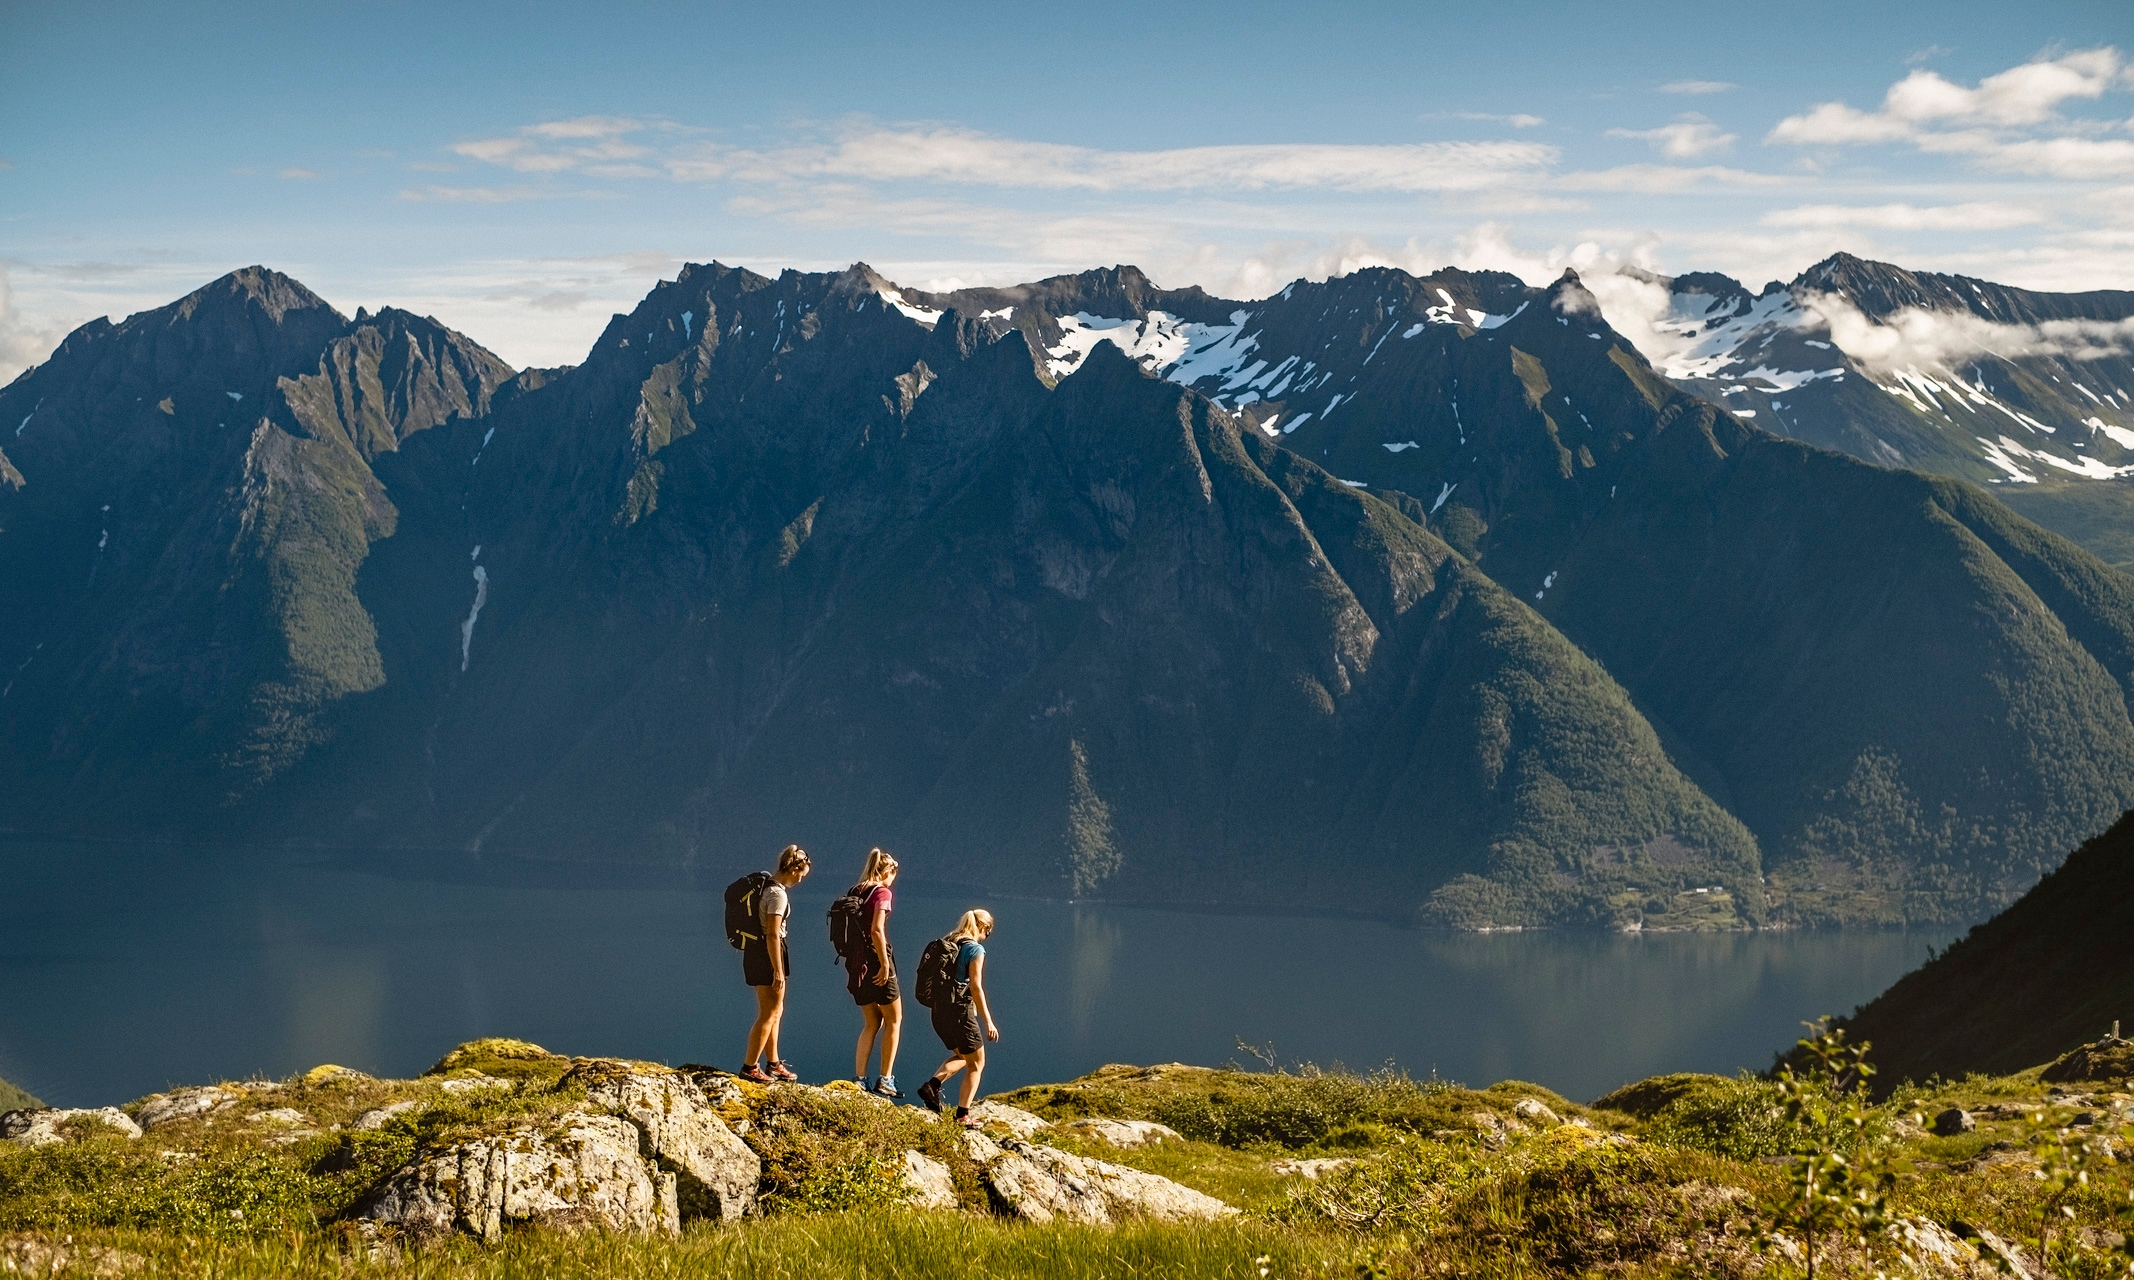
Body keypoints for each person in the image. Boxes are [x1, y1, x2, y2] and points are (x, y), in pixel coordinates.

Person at [917, 908, 997, 1126]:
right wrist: (988, 1021)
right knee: (977, 1064)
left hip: (939, 1011)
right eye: (988, 932)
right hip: (960, 1013)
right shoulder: (975, 949)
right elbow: (976, 986)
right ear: (984, 928)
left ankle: (932, 1086)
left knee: (964, 1057)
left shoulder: (949, 941)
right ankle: (963, 1115)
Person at [741, 844, 811, 1084]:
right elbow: (772, 933)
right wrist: (778, 970)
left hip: (759, 953)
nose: (801, 880)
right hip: (768, 954)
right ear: (794, 869)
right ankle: (750, 1066)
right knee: (768, 1013)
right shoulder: (777, 894)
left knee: (775, 1011)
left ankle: (773, 1063)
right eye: (802, 875)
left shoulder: (766, 887)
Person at [845, 847, 903, 1098]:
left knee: (871, 1022)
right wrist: (884, 964)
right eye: (893, 874)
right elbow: (876, 930)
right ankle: (886, 1080)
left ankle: (859, 1079)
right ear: (887, 871)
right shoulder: (882, 892)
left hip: (855, 965)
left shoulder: (855, 891)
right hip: (876, 960)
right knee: (894, 1020)